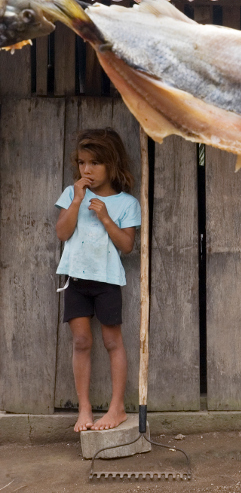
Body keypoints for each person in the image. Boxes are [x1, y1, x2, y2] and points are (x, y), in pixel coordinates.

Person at [55, 128, 141, 432]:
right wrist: (77, 201)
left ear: (111, 164)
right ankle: (85, 409)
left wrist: (105, 217)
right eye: (82, 163)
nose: (87, 170)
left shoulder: (127, 203)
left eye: (95, 163)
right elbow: (62, 233)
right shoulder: (72, 193)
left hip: (106, 281)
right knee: (81, 341)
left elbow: (127, 246)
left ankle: (117, 408)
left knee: (111, 341)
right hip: (76, 279)